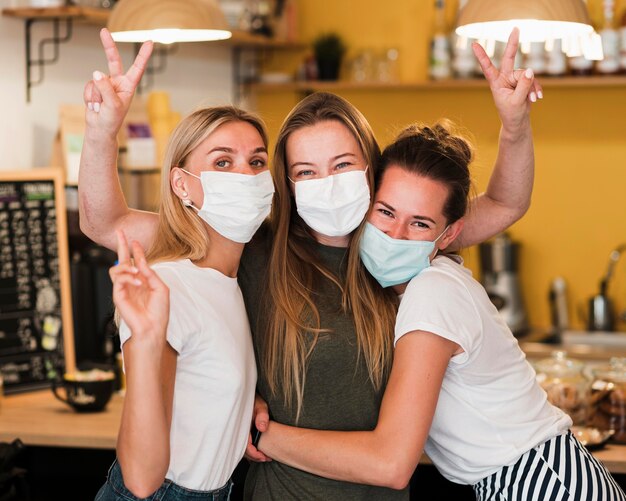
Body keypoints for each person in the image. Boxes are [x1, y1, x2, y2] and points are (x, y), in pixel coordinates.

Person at [80, 27, 538, 500]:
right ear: (288, 181)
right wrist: (102, 130)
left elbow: (504, 203)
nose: (327, 184)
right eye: (305, 172)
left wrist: (515, 124)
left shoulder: (398, 242)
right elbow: (106, 223)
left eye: (342, 165)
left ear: (370, 170)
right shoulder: (254, 245)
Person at [254, 121, 626, 501]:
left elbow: (391, 464)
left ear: (447, 235)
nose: (395, 236)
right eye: (385, 212)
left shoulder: (432, 293)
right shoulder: (406, 282)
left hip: (546, 484)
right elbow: (506, 202)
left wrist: (258, 434)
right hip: (519, 481)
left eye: (420, 223)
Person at [93, 103, 274, 500]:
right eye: (223, 162)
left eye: (257, 160)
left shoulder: (233, 278)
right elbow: (141, 478)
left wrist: (240, 404)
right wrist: (144, 340)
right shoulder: (170, 286)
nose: (246, 174)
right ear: (181, 184)